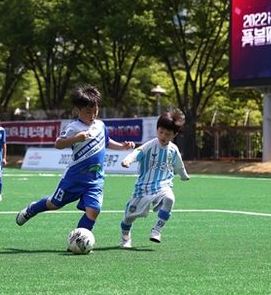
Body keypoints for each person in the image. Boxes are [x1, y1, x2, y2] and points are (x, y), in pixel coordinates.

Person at [15, 84, 135, 234]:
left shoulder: (100, 125)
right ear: (77, 111)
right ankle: (32, 209)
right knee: (54, 204)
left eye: (95, 110)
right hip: (74, 177)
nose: (92, 114)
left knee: (94, 210)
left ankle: (79, 238)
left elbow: (107, 142)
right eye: (88, 111)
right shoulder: (74, 127)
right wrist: (76, 138)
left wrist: (122, 147)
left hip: (95, 179)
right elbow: (58, 144)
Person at [118, 109, 190, 248]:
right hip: (143, 187)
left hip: (163, 186)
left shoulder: (173, 150)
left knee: (170, 199)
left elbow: (179, 166)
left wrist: (184, 176)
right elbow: (137, 153)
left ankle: (157, 230)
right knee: (129, 217)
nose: (163, 136)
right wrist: (127, 160)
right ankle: (125, 237)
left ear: (174, 134)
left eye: (167, 134)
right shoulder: (150, 145)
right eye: (160, 132)